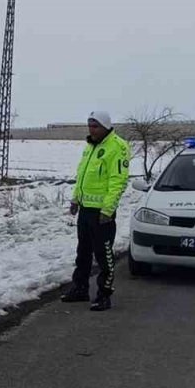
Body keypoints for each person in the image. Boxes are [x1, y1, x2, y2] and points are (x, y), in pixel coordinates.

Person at [62, 110, 131, 312]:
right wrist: (76, 199)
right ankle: (80, 288)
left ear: (105, 127)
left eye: (95, 126)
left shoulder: (117, 147)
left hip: (102, 213)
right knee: (83, 252)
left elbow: (117, 181)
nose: (91, 130)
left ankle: (104, 294)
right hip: (85, 209)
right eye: (89, 125)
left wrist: (108, 210)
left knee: (103, 255)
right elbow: (82, 175)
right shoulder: (90, 147)